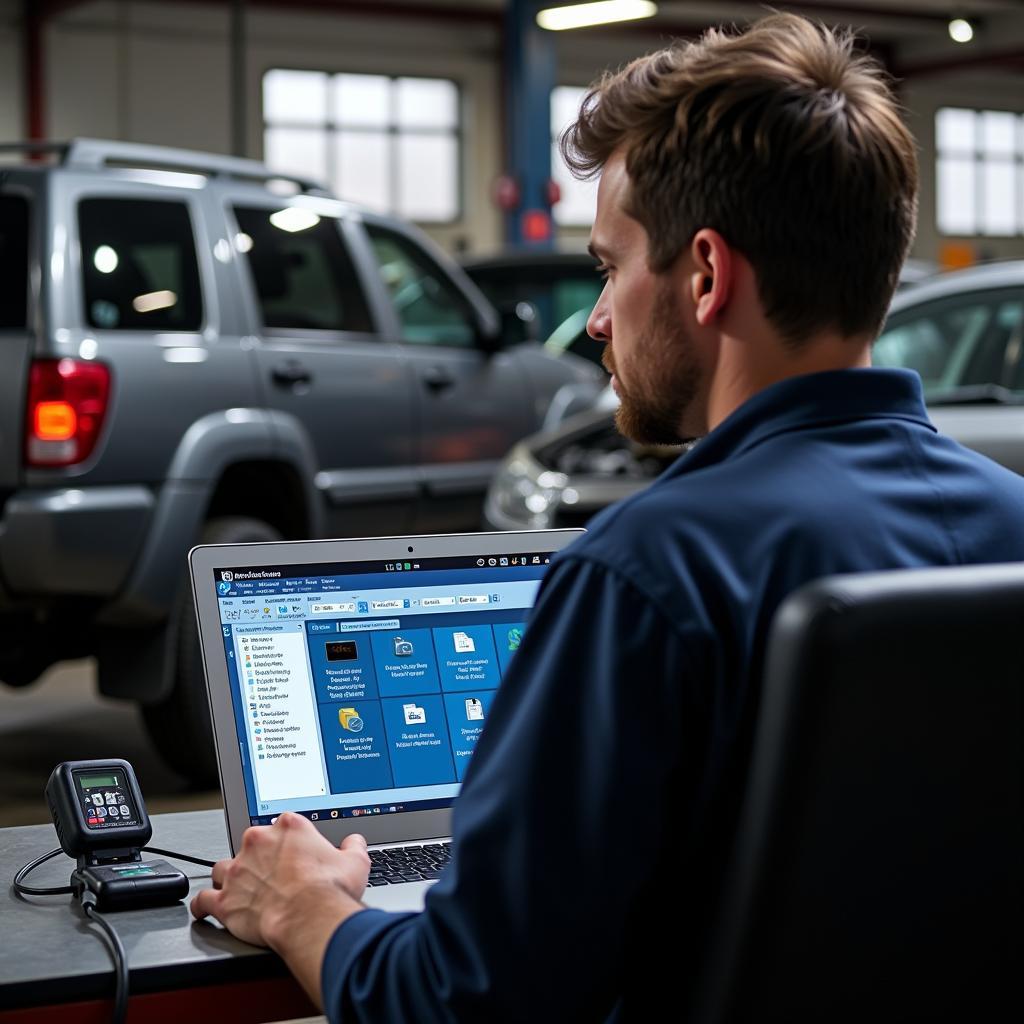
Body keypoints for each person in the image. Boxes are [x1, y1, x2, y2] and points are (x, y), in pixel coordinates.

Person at [191, 13, 1024, 1022]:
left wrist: (303, 908)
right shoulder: (1007, 523)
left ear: (706, 276)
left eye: (609, 265)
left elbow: (465, 1003)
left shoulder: (646, 573)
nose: (596, 318)